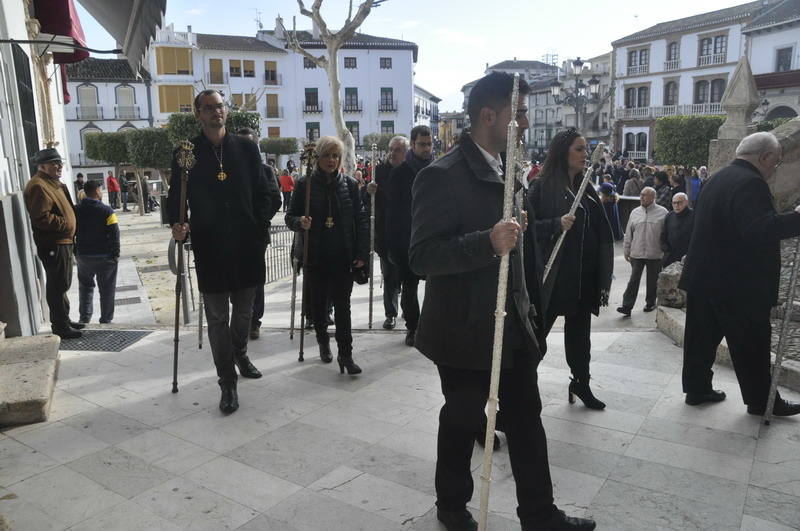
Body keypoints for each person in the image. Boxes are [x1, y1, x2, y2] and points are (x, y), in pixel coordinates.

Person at [411, 71, 594, 531]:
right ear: (489, 115)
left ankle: (540, 515)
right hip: (462, 328)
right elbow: (422, 255)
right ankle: (451, 505)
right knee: (462, 419)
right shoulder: (441, 175)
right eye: (521, 113)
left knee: (527, 419)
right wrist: (487, 242)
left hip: (511, 324)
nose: (527, 123)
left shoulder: (508, 169)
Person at [167, 89, 272, 414]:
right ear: (198, 113)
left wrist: (258, 223)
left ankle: (239, 351)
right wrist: (177, 223)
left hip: (246, 245)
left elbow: (264, 191)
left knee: (244, 312)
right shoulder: (186, 153)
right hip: (210, 246)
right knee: (216, 318)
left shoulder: (247, 148)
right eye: (209, 107)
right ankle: (227, 382)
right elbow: (176, 196)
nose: (217, 112)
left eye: (220, 106)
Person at [680, 132, 800, 416]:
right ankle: (762, 401)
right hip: (737, 284)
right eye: (776, 162)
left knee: (700, 340)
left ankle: (697, 389)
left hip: (704, 276)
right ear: (764, 157)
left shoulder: (716, 178)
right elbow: (760, 229)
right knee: (752, 344)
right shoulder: (751, 183)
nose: (775, 169)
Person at [530, 128, 614, 411]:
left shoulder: (585, 186)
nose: (585, 154)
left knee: (580, 336)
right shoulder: (542, 187)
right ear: (562, 152)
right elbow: (526, 228)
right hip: (555, 277)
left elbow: (599, 228)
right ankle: (520, 390)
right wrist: (556, 223)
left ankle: (581, 382)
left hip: (583, 276)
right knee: (536, 336)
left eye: (585, 149)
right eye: (579, 149)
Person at [285, 136, 368, 375]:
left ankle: (346, 355)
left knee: (343, 307)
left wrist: (362, 252)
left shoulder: (350, 184)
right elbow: (290, 216)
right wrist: (300, 222)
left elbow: (361, 219)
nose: (331, 160)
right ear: (317, 158)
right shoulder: (305, 184)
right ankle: (323, 341)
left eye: (335, 156)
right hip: (316, 255)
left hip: (343, 256)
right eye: (326, 155)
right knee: (319, 305)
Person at [23, 148, 85, 338]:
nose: (59, 166)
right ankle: (60, 326)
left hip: (63, 241)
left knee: (62, 283)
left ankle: (64, 319)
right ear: (42, 166)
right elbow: (41, 218)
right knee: (57, 285)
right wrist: (65, 224)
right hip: (54, 243)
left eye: (60, 162)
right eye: (54, 163)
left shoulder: (52, 183)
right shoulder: (38, 185)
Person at [385, 125, 432, 346]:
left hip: (434, 239)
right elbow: (392, 213)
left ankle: (431, 325)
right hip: (407, 242)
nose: (426, 148)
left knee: (436, 287)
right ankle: (413, 327)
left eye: (429, 144)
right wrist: (392, 247)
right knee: (409, 288)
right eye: (422, 144)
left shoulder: (438, 169)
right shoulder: (399, 173)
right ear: (412, 144)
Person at [237, 128, 282, 340]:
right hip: (233, 235)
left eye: (248, 144)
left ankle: (254, 321)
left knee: (255, 278)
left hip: (256, 234)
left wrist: (260, 221)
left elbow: (275, 199)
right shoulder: (229, 169)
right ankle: (239, 318)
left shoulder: (265, 170)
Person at [365, 135, 408, 330]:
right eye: (390, 149)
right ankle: (390, 313)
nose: (392, 153)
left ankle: (408, 309)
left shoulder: (410, 171)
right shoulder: (379, 171)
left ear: (406, 153)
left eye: (397, 150)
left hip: (406, 233)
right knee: (389, 275)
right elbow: (367, 202)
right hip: (385, 233)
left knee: (408, 277)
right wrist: (368, 191)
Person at [75, 180, 120, 324]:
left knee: (85, 288)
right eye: (100, 189)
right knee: (107, 290)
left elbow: (71, 231)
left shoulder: (75, 210)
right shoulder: (107, 211)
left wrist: (76, 251)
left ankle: (84, 318)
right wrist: (116, 254)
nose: (101, 192)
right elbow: (114, 234)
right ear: (96, 191)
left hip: (83, 256)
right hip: (104, 257)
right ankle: (106, 320)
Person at [617, 187, 667, 316]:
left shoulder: (663, 213)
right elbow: (628, 233)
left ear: (653, 197)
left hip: (655, 254)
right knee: (633, 280)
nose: (641, 197)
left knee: (652, 281)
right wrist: (626, 249)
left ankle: (650, 303)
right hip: (637, 252)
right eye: (641, 194)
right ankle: (626, 306)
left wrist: (665, 250)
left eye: (645, 195)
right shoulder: (635, 212)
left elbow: (666, 234)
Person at [661, 192, 693, 267]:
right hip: (671, 256)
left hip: (688, 257)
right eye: (674, 203)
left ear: (686, 202)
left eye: (679, 202)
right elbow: (664, 234)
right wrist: (665, 248)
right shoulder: (669, 216)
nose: (676, 205)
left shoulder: (694, 215)